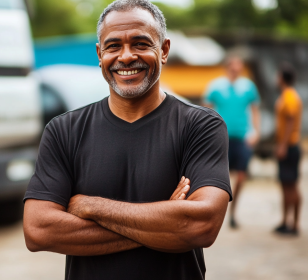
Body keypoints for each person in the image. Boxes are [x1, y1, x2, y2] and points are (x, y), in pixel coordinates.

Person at [23, 0, 231, 279]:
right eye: (113, 46)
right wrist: (167, 221)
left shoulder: (200, 125)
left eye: (141, 44)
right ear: (99, 54)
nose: (126, 56)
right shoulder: (64, 131)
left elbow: (201, 226)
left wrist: (90, 206)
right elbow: (38, 230)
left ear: (164, 50)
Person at [203, 56, 261, 229]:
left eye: (239, 66)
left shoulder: (248, 87)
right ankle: (217, 211)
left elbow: (255, 109)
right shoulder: (216, 86)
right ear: (228, 67)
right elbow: (206, 108)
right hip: (222, 138)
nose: (237, 69)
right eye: (234, 66)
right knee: (221, 177)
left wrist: (256, 132)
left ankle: (233, 212)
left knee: (241, 177)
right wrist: (208, 133)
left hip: (243, 137)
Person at [274, 63, 303, 236]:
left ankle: (295, 224)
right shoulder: (287, 95)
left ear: (282, 78)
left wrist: (283, 145)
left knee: (291, 185)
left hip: (290, 146)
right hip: (288, 145)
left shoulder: (290, 96)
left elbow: (291, 120)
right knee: (286, 185)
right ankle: (286, 221)